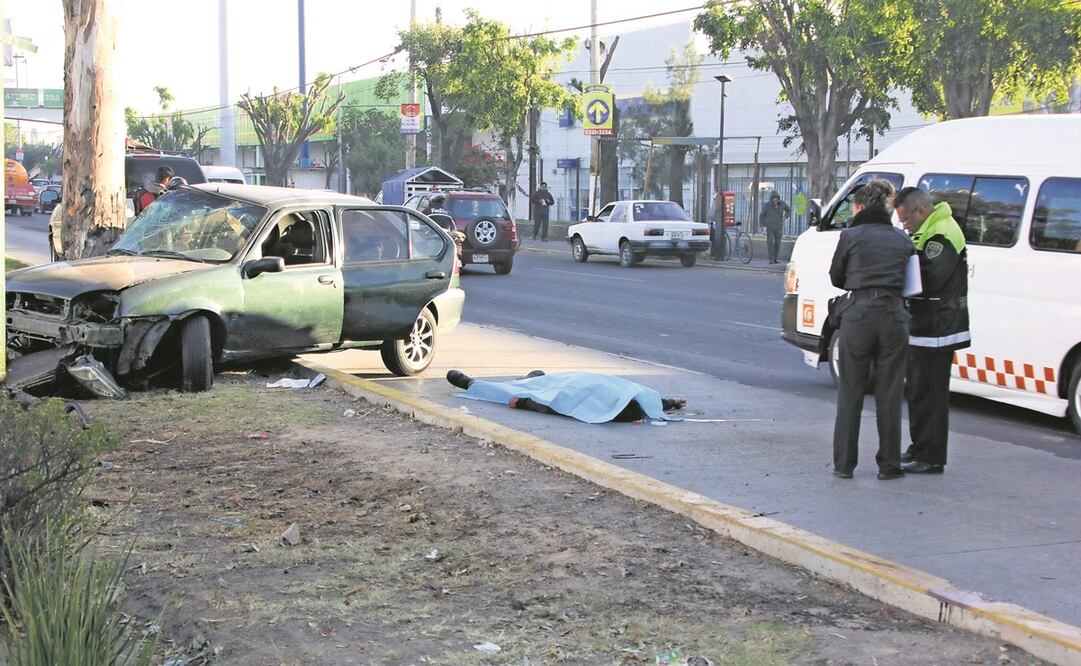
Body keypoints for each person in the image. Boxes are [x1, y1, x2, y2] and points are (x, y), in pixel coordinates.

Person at [828, 180, 914, 480]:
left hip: (859, 317)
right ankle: (889, 465)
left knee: (850, 392)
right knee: (889, 394)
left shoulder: (850, 236)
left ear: (860, 206)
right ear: (887, 206)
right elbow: (912, 284)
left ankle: (844, 464)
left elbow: (836, 277)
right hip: (894, 316)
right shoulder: (903, 240)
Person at [894, 187, 970, 474]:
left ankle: (930, 456)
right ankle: (920, 447)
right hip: (928, 324)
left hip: (938, 327)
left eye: (906, 219)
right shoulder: (930, 229)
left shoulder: (941, 232)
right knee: (917, 390)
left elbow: (929, 276)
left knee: (930, 394)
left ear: (921, 210)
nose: (904, 225)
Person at [446, 369, 685, 424]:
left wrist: (523, 404)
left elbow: (557, 406)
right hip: (571, 382)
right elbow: (648, 402)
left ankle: (470, 384)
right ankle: (531, 378)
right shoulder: (626, 398)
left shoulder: (611, 404)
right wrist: (668, 403)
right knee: (535, 386)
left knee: (524, 390)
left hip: (567, 386)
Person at [760, 191, 790, 264]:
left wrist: (785, 217)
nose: (775, 200)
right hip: (769, 227)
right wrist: (762, 226)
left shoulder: (782, 204)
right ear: (771, 199)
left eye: (777, 198)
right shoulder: (767, 205)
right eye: (774, 199)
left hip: (779, 227)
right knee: (770, 243)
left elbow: (789, 211)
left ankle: (775, 258)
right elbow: (761, 215)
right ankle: (771, 258)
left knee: (778, 243)